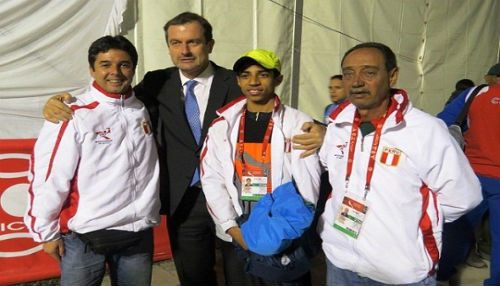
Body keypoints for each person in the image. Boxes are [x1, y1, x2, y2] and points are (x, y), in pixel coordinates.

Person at [41, 12, 326, 286]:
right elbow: (116, 98)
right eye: (176, 43)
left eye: (194, 42)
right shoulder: (156, 81)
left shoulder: (238, 80)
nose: (185, 50)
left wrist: (323, 129)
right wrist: (61, 102)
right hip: (184, 201)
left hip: (238, 200)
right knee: (194, 276)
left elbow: (280, 111)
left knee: (244, 271)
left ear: (210, 45)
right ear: (168, 47)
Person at [317, 42, 482, 286]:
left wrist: (407, 223)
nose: (357, 81)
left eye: (369, 72)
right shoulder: (337, 126)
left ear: (392, 76)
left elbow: (463, 197)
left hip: (398, 272)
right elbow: (334, 174)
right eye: (348, 73)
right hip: (340, 261)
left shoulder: (425, 130)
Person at [23, 35, 160, 286]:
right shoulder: (72, 113)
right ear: (92, 69)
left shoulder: (143, 107)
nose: (115, 72)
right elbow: (49, 175)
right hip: (85, 237)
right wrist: (45, 232)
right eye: (106, 64)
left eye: (124, 64)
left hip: (137, 234)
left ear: (133, 68)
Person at [200, 49, 321, 285]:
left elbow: (310, 183)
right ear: (238, 80)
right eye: (245, 75)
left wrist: (289, 230)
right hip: (240, 228)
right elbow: (211, 178)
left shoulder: (298, 122)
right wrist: (232, 229)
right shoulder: (222, 126)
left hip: (284, 230)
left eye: (262, 74)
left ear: (278, 79)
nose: (253, 82)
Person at [437, 62, 500, 286]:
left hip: (471, 175)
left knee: (455, 227)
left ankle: (442, 275)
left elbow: (441, 124)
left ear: (493, 77)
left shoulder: (473, 94)